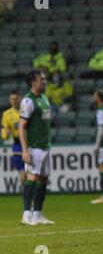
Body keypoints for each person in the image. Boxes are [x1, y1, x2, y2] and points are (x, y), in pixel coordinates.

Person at [19, 70, 54, 225]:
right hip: (34, 147)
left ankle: (37, 214)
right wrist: (25, 150)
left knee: (44, 180)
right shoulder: (28, 101)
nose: (45, 82)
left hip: (46, 145)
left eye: (45, 79)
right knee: (32, 178)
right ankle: (26, 214)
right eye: (42, 80)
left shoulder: (44, 98)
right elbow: (21, 127)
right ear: (33, 82)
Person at [1, 91, 26, 188]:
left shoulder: (26, 111)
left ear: (20, 99)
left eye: (16, 99)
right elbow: (4, 129)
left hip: (30, 144)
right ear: (9, 100)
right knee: (23, 172)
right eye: (12, 99)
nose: (14, 101)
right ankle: (26, 191)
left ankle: (27, 191)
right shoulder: (7, 114)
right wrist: (5, 135)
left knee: (31, 173)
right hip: (17, 144)